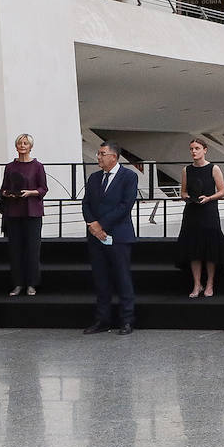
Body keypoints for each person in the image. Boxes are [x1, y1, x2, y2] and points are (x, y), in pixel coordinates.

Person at [81, 142, 139, 335]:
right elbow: (86, 204)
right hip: (96, 237)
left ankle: (127, 320)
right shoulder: (94, 178)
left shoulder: (129, 177)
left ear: (114, 157)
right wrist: (93, 225)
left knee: (122, 278)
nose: (98, 157)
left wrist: (101, 225)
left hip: (119, 236)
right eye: (98, 153)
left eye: (102, 154)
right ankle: (102, 320)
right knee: (101, 279)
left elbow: (125, 205)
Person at [177, 137, 224, 298]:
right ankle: (197, 284)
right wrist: (187, 197)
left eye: (197, 148)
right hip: (192, 211)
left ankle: (210, 283)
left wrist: (209, 198)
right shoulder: (187, 170)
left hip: (209, 211)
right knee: (193, 248)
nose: (194, 151)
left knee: (210, 248)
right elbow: (183, 191)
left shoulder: (214, 168)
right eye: (191, 149)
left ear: (205, 150)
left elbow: (222, 191)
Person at [0, 133, 47, 297]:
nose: (22, 145)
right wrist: (8, 194)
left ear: (31, 146)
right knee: (15, 250)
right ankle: (18, 283)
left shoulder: (37, 166)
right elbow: (3, 188)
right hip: (13, 212)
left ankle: (32, 283)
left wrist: (31, 192)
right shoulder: (10, 167)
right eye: (20, 143)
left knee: (32, 249)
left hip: (32, 211)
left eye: (26, 143)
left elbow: (43, 188)